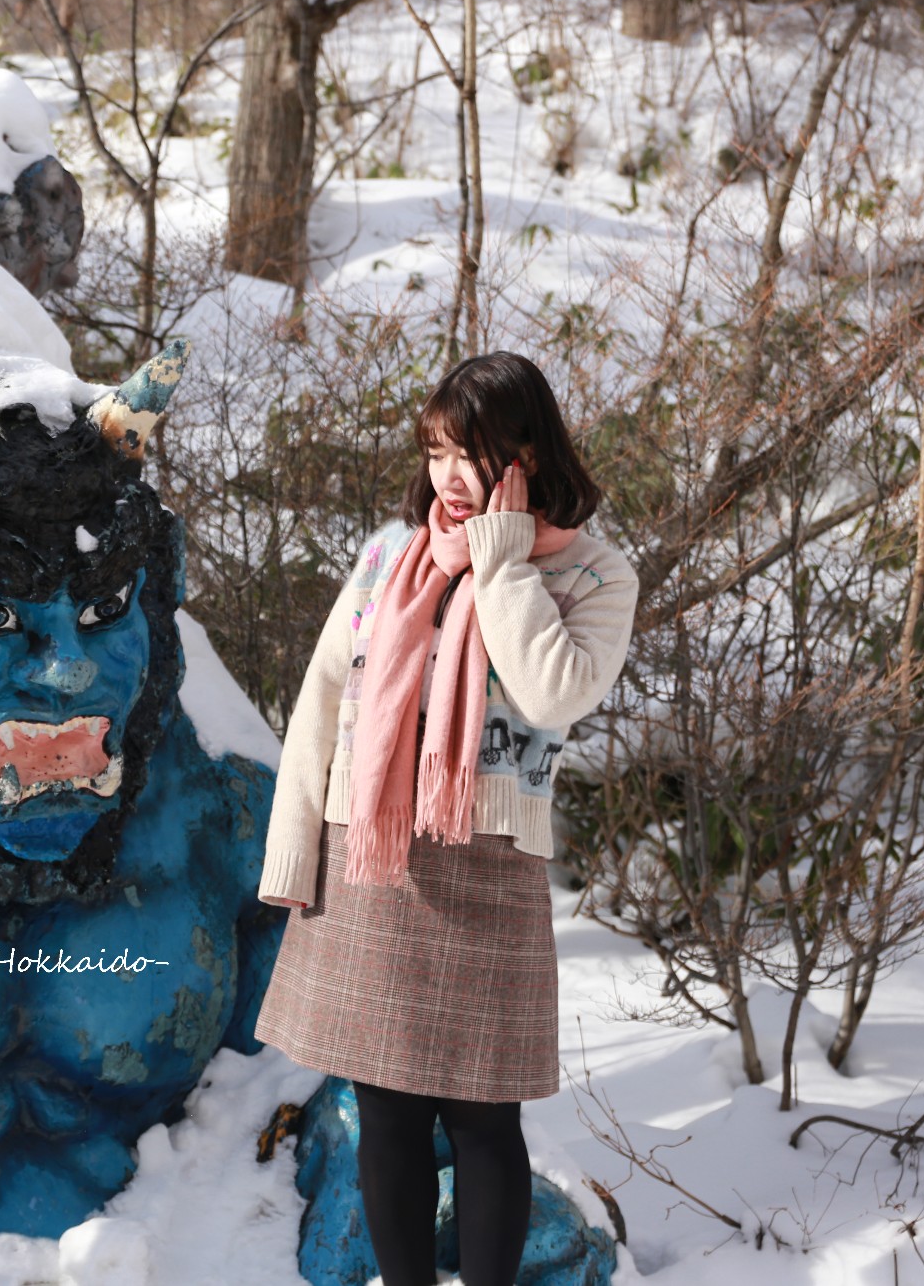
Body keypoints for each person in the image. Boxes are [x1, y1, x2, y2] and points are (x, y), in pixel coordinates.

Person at [253, 351, 638, 1286]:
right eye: (436, 453)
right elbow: (320, 703)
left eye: (472, 454)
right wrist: (293, 846)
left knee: (482, 1115)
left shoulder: (592, 576)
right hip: (369, 856)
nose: (450, 477)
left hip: (488, 866)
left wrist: (503, 561)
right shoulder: (389, 555)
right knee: (384, 1110)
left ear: (527, 456)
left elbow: (550, 693)